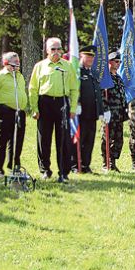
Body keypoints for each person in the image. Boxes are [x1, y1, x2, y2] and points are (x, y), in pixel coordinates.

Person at [29, 37, 79, 183]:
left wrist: (73, 107)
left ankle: (63, 172)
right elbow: (32, 88)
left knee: (63, 139)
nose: (56, 52)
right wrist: (34, 108)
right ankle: (45, 170)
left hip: (62, 102)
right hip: (45, 103)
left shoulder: (67, 66)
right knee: (44, 138)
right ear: (47, 50)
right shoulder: (40, 66)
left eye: (59, 49)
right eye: (53, 49)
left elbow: (75, 88)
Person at [0, 52, 28, 177]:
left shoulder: (19, 76)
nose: (17, 65)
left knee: (17, 141)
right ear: (6, 63)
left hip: (19, 111)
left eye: (18, 62)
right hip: (4, 111)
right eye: (15, 62)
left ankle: (14, 166)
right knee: (2, 141)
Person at [72, 45, 104, 173]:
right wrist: (76, 104)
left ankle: (85, 165)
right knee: (78, 140)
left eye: (92, 56)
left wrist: (101, 111)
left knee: (89, 141)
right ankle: (75, 165)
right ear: (81, 55)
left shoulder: (93, 73)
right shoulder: (76, 71)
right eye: (88, 56)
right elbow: (73, 90)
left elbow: (98, 94)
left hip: (92, 113)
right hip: (80, 113)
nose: (90, 59)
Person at [101, 51, 126, 172]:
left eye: (119, 62)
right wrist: (105, 110)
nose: (118, 64)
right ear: (109, 62)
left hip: (119, 114)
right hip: (109, 113)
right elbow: (102, 96)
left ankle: (113, 161)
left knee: (118, 139)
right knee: (107, 138)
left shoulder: (118, 77)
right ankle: (106, 162)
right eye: (116, 62)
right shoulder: (106, 79)